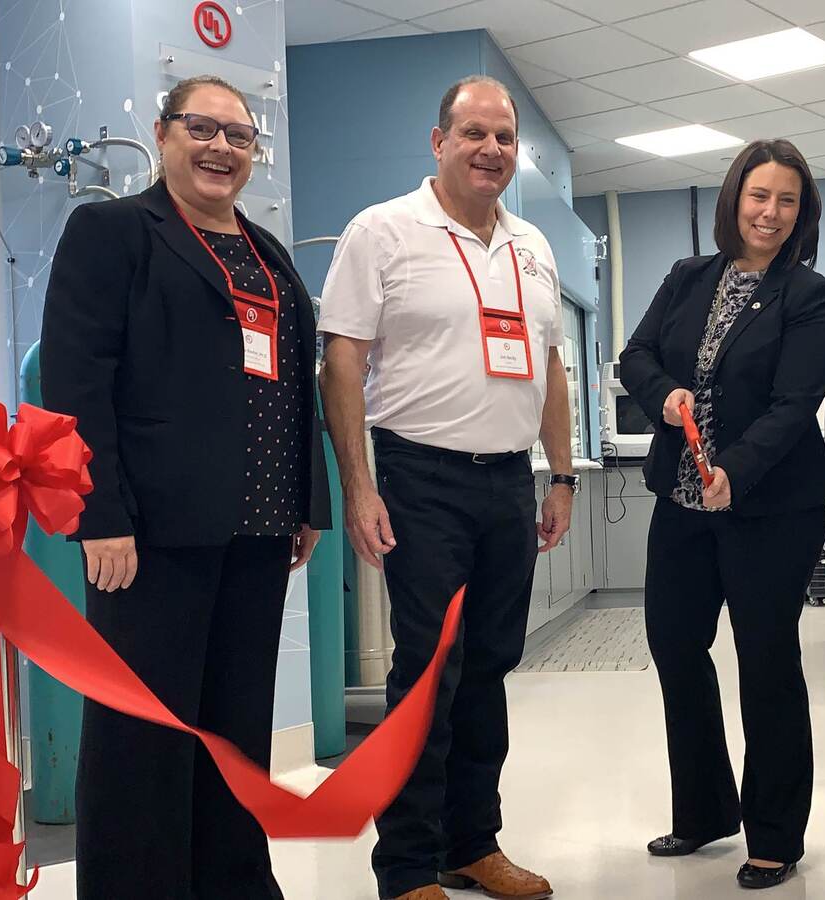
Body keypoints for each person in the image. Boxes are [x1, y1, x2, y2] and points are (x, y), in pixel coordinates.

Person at [39, 74, 332, 899]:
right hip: (150, 536)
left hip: (257, 534)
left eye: (239, 137)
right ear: (164, 134)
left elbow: (291, 388)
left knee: (234, 732)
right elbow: (75, 383)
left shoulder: (269, 255)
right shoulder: (113, 232)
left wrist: (307, 502)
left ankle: (234, 884)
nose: (222, 149)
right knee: (142, 738)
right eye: (203, 128)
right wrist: (98, 513)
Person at [317, 75, 572, 900]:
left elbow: (551, 367)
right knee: (428, 670)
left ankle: (472, 843)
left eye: (504, 137)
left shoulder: (533, 245)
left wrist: (560, 474)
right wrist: (360, 487)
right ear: (439, 142)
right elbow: (343, 362)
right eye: (474, 134)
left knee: (492, 667)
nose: (491, 150)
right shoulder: (383, 231)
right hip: (420, 475)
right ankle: (404, 866)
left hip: (507, 481)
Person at [619, 139, 825, 891]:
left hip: (770, 506)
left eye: (786, 200)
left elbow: (793, 405)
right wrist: (665, 394)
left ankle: (774, 833)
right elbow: (636, 355)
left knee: (767, 662)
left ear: (801, 211)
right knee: (676, 647)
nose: (770, 212)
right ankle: (705, 809)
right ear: (732, 201)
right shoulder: (688, 278)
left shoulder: (810, 296)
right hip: (681, 500)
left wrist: (735, 472)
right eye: (758, 196)